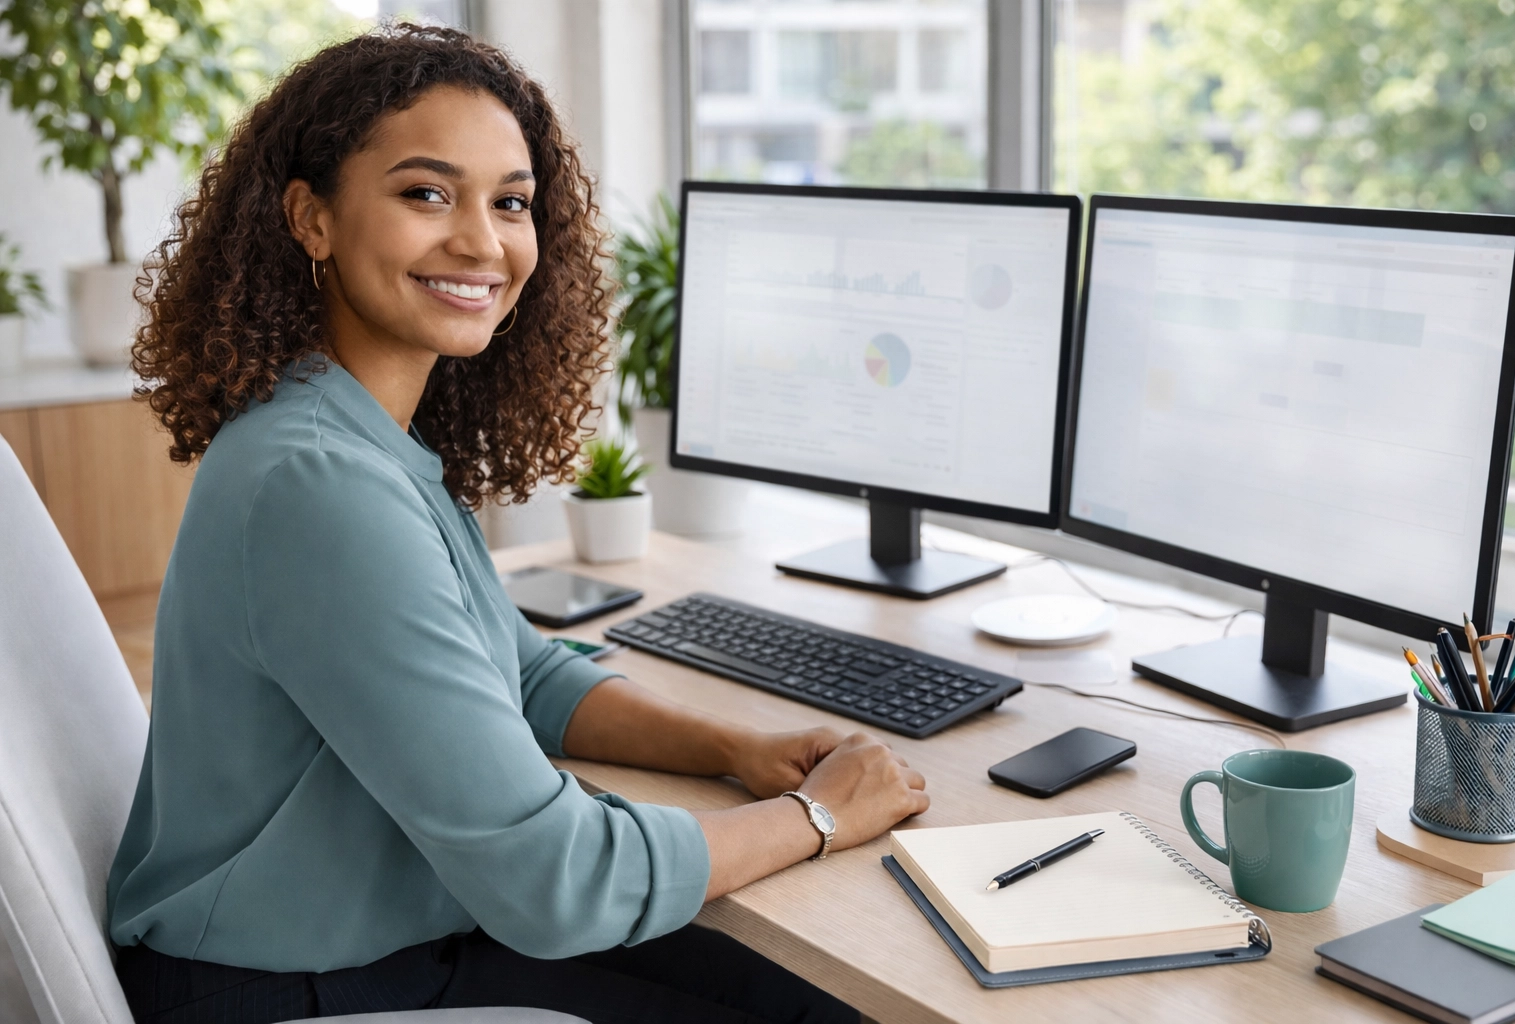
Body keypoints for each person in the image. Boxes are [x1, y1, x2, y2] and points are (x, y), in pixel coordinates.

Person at [109, 22, 928, 1024]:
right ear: (311, 218)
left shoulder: (353, 433)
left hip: (376, 936)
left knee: (796, 990)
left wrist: (734, 748)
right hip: (286, 988)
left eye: (510, 202)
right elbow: (556, 880)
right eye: (426, 193)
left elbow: (525, 673)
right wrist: (817, 815)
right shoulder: (319, 485)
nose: (482, 242)